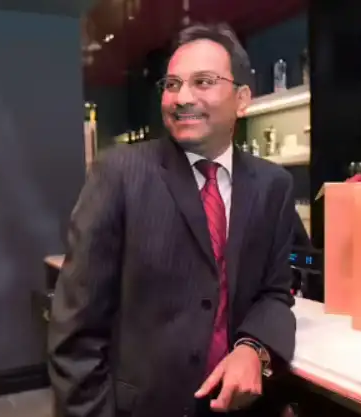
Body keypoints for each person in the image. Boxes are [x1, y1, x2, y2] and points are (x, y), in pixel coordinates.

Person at [48, 23, 296, 417]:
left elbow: (275, 293)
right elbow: (76, 334)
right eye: (172, 84)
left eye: (203, 82)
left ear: (242, 99)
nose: (182, 98)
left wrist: (254, 348)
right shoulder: (120, 175)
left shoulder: (273, 186)